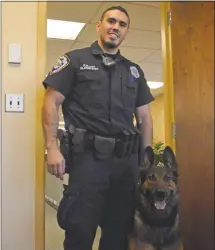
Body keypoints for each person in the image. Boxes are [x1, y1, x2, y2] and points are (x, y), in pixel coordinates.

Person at [42, 5, 154, 250]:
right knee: (80, 232)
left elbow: (145, 119)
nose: (115, 27)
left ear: (126, 32)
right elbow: (51, 102)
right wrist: (51, 147)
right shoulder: (75, 61)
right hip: (88, 162)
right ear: (99, 25)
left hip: (125, 164)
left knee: (119, 233)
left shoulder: (134, 71)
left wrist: (146, 163)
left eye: (122, 24)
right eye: (111, 21)